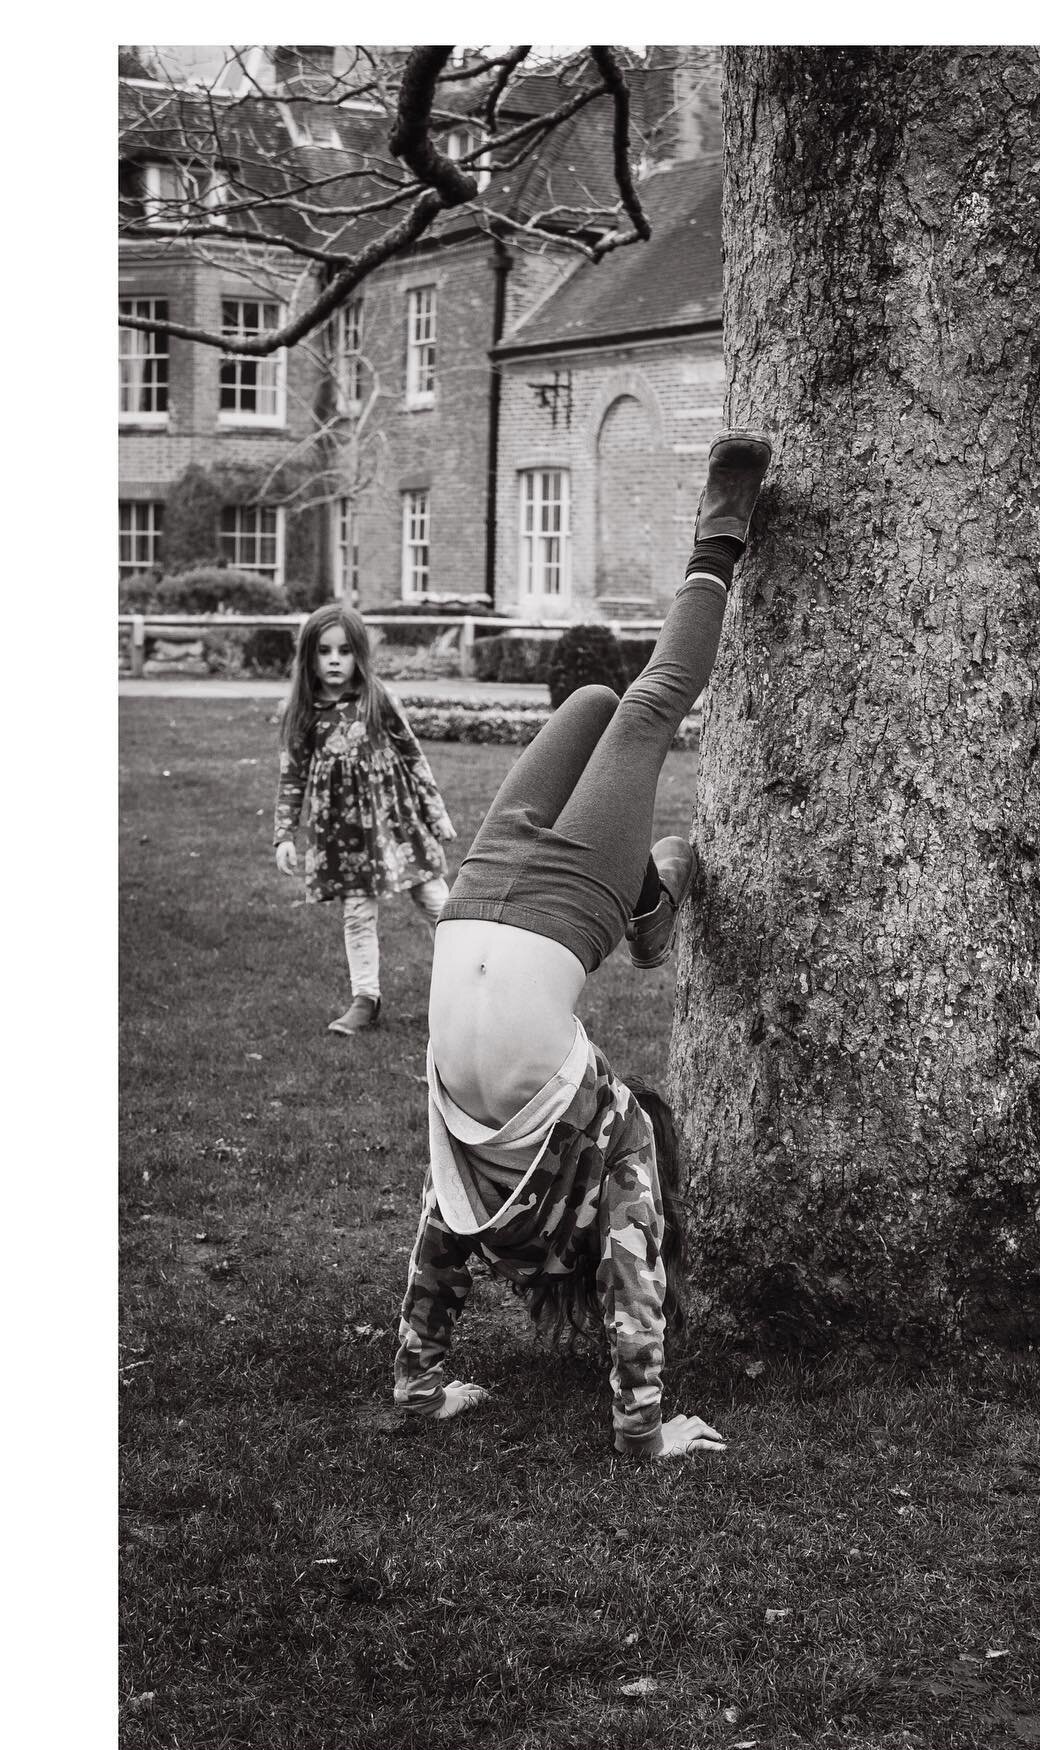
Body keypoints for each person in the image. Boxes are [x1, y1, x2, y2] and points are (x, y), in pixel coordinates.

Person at [392, 431, 774, 1460]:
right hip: (487, 929)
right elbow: (437, 1245)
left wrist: (644, 1426)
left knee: (633, 703)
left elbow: (636, 1260)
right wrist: (416, 1376)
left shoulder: (612, 1139)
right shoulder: (478, 1182)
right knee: (616, 705)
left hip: (508, 909)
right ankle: (654, 891)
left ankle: (722, 535)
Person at [273, 603, 458, 1035]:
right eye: (324, 650)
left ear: (359, 653)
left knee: (437, 903)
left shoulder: (377, 698)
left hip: (397, 823)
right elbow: (292, 775)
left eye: (344, 650)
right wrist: (284, 834)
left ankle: (471, 982)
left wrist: (436, 812)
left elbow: (413, 754)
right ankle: (365, 998)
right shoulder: (302, 711)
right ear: (309, 657)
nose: (334, 659)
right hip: (344, 836)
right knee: (357, 913)